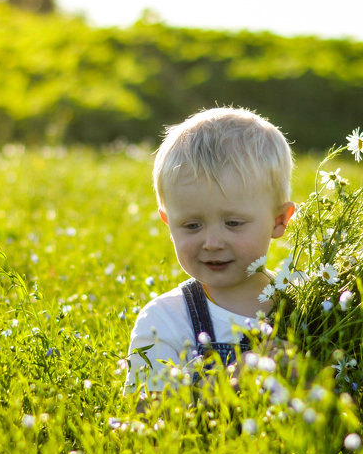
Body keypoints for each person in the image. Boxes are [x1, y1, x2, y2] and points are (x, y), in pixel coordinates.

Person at [123, 107, 296, 398]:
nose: (212, 242)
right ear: (168, 223)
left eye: (233, 223)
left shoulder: (302, 308)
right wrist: (224, 387)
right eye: (192, 225)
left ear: (279, 220)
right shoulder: (166, 319)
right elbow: (146, 415)